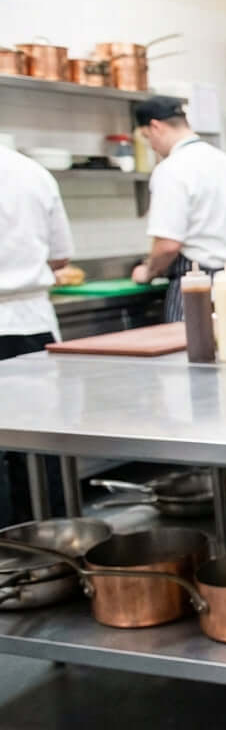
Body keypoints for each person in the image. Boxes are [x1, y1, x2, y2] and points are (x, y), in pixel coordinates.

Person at [129, 96, 226, 321]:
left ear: (155, 127)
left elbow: (168, 245)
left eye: (146, 137)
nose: (151, 146)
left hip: (198, 290)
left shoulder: (171, 170)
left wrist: (148, 271)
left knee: (190, 345)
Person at [0, 137, 75, 525]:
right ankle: (54, 540)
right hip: (32, 323)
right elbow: (60, 256)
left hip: (21, 317)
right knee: (42, 441)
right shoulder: (32, 172)